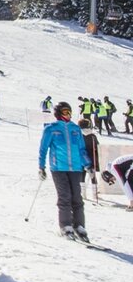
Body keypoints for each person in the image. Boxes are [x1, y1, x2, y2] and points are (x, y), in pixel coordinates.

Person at [38, 101, 92, 240]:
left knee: (77, 198)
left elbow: (81, 149)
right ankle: (65, 226)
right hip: (58, 168)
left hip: (75, 167)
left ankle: (79, 226)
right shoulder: (51, 129)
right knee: (65, 197)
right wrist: (41, 167)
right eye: (65, 112)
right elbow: (43, 149)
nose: (68, 115)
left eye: (69, 112)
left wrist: (88, 164)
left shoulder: (75, 129)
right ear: (58, 114)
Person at [77, 118, 99, 201]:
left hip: (81, 159)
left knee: (82, 176)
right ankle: (94, 194)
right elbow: (97, 147)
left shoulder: (79, 135)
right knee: (93, 176)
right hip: (91, 158)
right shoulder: (92, 136)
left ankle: (83, 194)